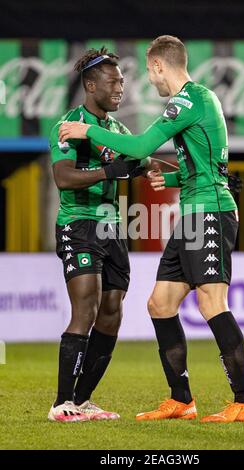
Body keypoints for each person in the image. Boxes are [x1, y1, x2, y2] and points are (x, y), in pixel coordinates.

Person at [59, 35, 244, 423]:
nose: (149, 83)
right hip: (192, 211)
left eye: (149, 74)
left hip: (210, 211)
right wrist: (171, 183)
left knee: (211, 303)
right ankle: (181, 400)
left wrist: (89, 132)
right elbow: (196, 167)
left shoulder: (190, 99)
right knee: (160, 304)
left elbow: (138, 147)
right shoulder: (197, 102)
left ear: (157, 66)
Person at [48, 47, 149, 422]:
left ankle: (82, 399)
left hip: (112, 227)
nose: (121, 87)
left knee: (111, 313)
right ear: (91, 85)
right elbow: (63, 177)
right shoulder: (69, 125)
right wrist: (112, 172)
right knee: (86, 308)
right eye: (113, 81)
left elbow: (143, 159)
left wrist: (193, 173)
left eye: (122, 80)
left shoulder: (117, 129)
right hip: (79, 223)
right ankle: (61, 403)